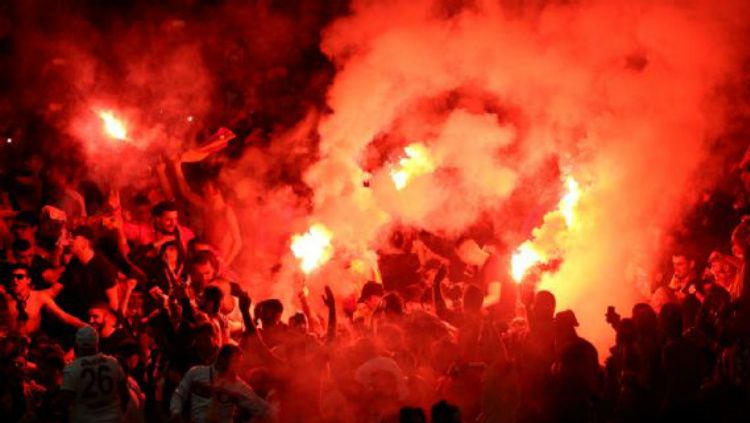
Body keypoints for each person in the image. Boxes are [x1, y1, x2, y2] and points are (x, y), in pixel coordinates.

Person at [169, 344, 271, 423]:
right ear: (221, 359)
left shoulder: (240, 387)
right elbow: (179, 394)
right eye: (235, 362)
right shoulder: (196, 373)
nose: (238, 367)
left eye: (239, 363)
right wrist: (176, 412)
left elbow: (263, 409)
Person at [60, 326, 129, 423]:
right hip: (114, 418)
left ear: (76, 345)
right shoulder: (113, 363)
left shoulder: (72, 368)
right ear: (97, 344)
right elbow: (125, 395)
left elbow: (64, 401)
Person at [0, 263, 85, 335]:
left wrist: (86, 327)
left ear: (28, 280)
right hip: (11, 343)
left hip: (33, 341)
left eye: (19, 277)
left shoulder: (39, 297)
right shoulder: (5, 298)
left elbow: (65, 317)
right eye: (12, 277)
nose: (15, 280)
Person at [58, 226, 120, 320]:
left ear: (85, 243)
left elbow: (113, 303)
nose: (70, 241)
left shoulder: (103, 267)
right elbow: (55, 289)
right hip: (79, 317)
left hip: (96, 320)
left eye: (74, 238)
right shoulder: (74, 264)